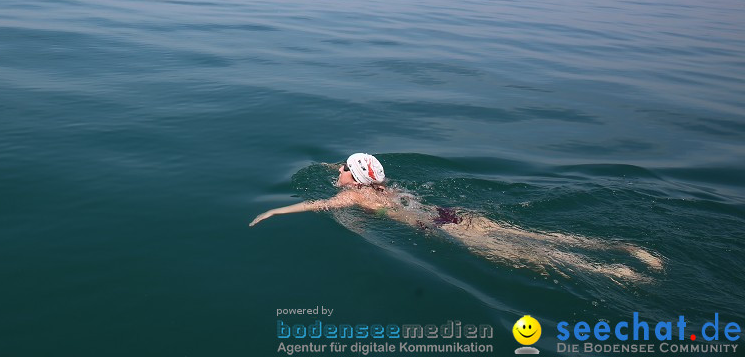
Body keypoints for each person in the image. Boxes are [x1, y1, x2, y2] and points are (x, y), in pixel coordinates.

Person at [250, 153, 664, 282]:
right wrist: (333, 165)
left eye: (342, 167)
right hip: (452, 214)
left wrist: (272, 209)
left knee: (528, 256)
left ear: (354, 179)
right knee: (536, 234)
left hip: (435, 226)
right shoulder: (378, 189)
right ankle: (626, 248)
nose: (335, 170)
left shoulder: (354, 201)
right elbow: (347, 176)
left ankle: (615, 272)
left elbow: (313, 206)